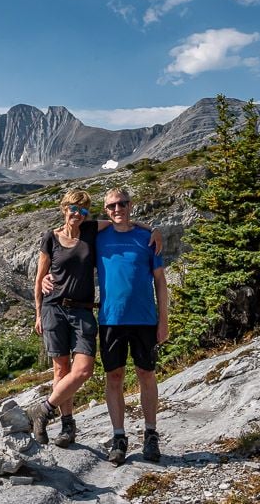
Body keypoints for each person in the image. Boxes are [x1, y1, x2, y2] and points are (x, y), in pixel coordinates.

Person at [27, 189, 161, 448]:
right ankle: (67, 426)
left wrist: (154, 228)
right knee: (60, 369)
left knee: (84, 370)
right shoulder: (50, 238)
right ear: (64, 208)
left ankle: (43, 409)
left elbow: (121, 222)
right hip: (54, 308)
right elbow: (39, 277)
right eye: (73, 208)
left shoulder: (90, 231)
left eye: (83, 210)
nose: (77, 214)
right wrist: (38, 311)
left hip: (83, 310)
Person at [97, 188, 168, 465]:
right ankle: (118, 437)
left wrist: (164, 321)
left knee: (145, 374)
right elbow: (67, 230)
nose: (118, 209)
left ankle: (151, 435)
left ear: (130, 205)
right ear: (106, 210)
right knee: (113, 377)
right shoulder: (98, 237)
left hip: (144, 319)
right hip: (111, 320)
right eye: (112, 206)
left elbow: (160, 282)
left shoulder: (147, 239)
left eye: (122, 204)